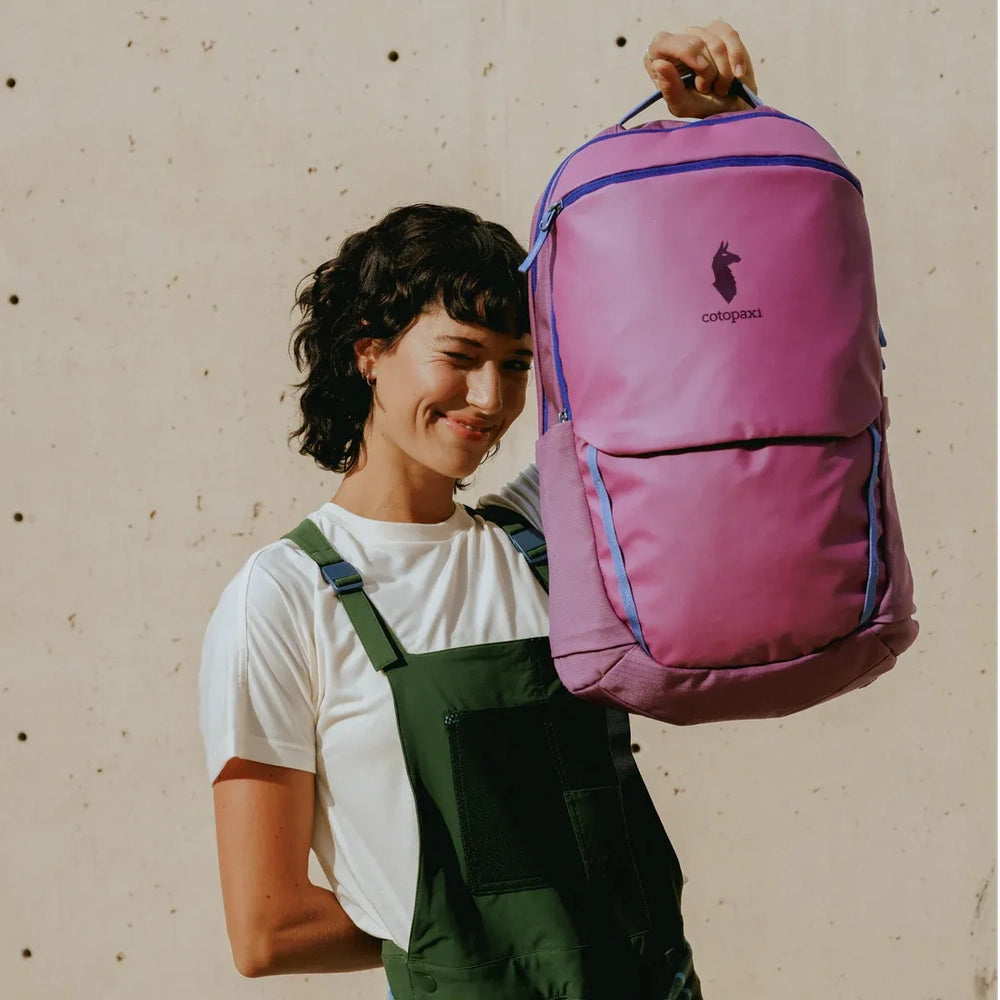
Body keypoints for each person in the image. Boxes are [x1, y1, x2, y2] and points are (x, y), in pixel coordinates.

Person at [199, 21, 757, 999]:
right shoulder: (285, 602)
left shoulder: (545, 531)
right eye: (459, 358)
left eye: (514, 366)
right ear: (369, 350)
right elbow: (266, 926)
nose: (493, 401)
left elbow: (714, 362)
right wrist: (474, 928)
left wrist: (721, 145)